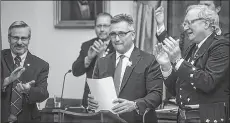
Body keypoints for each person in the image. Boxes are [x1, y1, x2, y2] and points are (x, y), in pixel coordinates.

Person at [155, 5, 229, 123]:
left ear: (206, 23)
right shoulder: (192, 48)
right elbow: (176, 89)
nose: (185, 28)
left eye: (189, 23)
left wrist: (178, 61)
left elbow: (207, 82)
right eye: (184, 24)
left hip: (206, 117)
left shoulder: (221, 46)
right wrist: (166, 66)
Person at [88, 14, 163, 123]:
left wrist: (135, 105)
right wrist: (92, 102)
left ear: (132, 35)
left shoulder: (149, 60)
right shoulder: (101, 62)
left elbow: (156, 95)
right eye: (113, 34)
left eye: (121, 34)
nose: (117, 39)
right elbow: (94, 94)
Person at [1, 21, 49, 123]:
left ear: (29, 40)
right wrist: (6, 81)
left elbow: (43, 94)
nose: (19, 42)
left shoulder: (41, 65)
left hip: (28, 119)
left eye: (23, 38)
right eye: (15, 38)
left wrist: (28, 91)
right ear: (9, 39)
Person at [72, 13, 114, 109]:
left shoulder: (118, 45)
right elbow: (76, 71)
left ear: (112, 27)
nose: (102, 29)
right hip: (89, 100)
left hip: (111, 99)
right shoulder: (87, 45)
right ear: (95, 27)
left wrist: (102, 56)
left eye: (106, 26)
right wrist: (89, 58)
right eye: (99, 26)